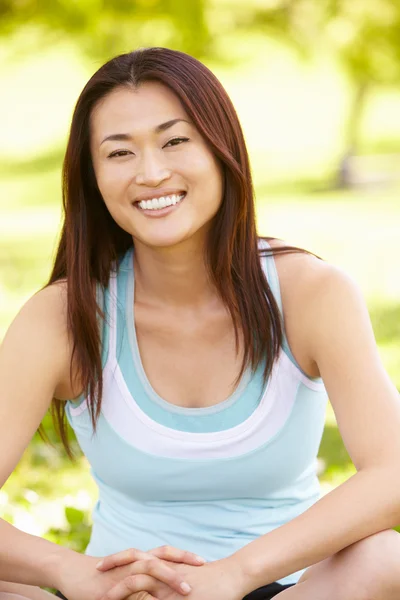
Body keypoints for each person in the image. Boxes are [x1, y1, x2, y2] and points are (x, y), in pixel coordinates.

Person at [1, 46, 400, 600]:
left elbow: (391, 473)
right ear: (91, 178)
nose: (152, 172)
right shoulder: (64, 316)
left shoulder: (311, 292)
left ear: (221, 148)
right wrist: (68, 572)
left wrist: (233, 575)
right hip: (115, 593)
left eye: (175, 141)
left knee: (386, 558)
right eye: (119, 153)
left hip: (280, 589)